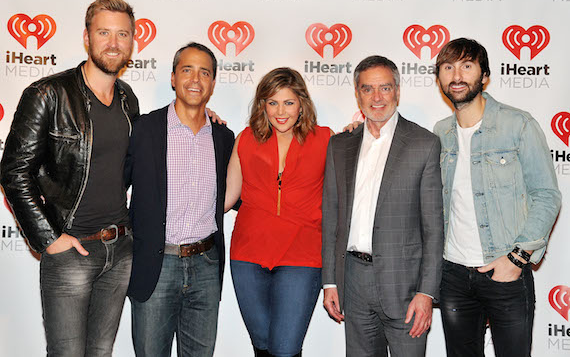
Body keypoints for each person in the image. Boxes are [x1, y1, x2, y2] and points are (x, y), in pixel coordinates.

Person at [0, 0, 139, 356]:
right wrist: (49, 239)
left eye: (122, 34)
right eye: (104, 32)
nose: (113, 43)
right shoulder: (48, 94)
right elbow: (14, 171)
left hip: (120, 249)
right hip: (71, 249)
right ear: (86, 37)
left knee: (101, 352)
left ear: (132, 41)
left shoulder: (128, 100)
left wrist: (201, 114)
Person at [433, 38, 561, 357]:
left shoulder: (518, 125)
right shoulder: (439, 133)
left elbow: (547, 195)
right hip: (453, 274)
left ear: (484, 75)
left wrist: (517, 258)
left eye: (467, 66)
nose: (457, 75)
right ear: (439, 79)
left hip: (505, 270)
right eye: (448, 67)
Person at [322, 55, 444, 357]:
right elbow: (331, 217)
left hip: (406, 287)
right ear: (357, 93)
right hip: (353, 280)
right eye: (367, 89)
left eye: (385, 88)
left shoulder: (423, 144)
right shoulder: (340, 145)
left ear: (398, 92)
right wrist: (330, 282)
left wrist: (426, 292)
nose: (376, 98)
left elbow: (433, 227)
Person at [126, 42, 234, 357]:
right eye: (187, 69)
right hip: (156, 265)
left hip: (205, 265)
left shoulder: (223, 138)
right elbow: (114, 185)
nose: (195, 79)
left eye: (205, 72)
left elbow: (242, 191)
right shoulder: (144, 129)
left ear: (213, 83)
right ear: (173, 78)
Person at [225, 67, 333, 357]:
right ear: (263, 105)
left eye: (288, 102)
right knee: (262, 346)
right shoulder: (246, 139)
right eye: (272, 102)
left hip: (302, 254)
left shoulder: (325, 140)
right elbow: (226, 198)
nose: (280, 111)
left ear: (302, 104)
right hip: (247, 256)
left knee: (285, 349)